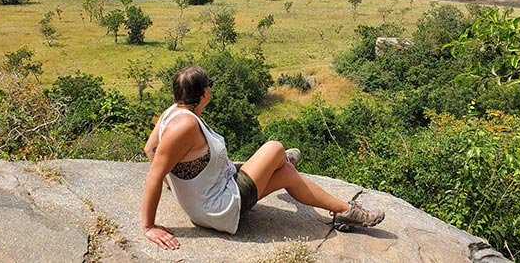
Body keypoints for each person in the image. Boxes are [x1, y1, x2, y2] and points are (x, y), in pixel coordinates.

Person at [141, 65, 384, 251]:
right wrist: (148, 226)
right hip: (219, 207)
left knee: (288, 174)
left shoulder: (173, 113)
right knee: (275, 147)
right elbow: (155, 173)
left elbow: (150, 150)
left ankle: (342, 209)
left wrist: (179, 184)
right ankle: (282, 164)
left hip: (213, 191)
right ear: (205, 93)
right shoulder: (185, 126)